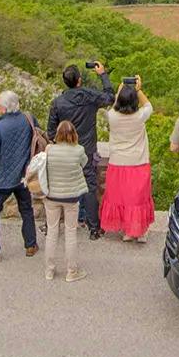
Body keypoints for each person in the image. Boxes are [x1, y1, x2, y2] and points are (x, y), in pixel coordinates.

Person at [47, 59, 112, 239]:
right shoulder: (89, 97)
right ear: (79, 80)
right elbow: (110, 97)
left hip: (65, 150)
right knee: (90, 187)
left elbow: (51, 131)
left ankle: (53, 224)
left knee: (59, 185)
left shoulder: (58, 103)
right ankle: (94, 228)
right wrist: (103, 75)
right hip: (87, 149)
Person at [0, 91, 39, 264]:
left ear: (3, 108)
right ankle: (31, 245)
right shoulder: (29, 119)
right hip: (24, 176)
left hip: (3, 178)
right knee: (26, 209)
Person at [29, 120, 90, 282]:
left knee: (52, 232)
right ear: (73, 134)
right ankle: (72, 271)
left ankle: (49, 270)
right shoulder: (79, 150)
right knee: (70, 233)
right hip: (71, 197)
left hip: (52, 196)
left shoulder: (50, 149)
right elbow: (84, 163)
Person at [97, 76, 155, 243]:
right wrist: (138, 90)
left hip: (118, 163)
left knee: (122, 198)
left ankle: (127, 231)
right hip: (138, 163)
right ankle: (140, 231)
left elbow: (115, 106)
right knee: (138, 199)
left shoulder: (112, 116)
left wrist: (119, 91)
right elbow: (149, 105)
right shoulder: (140, 116)